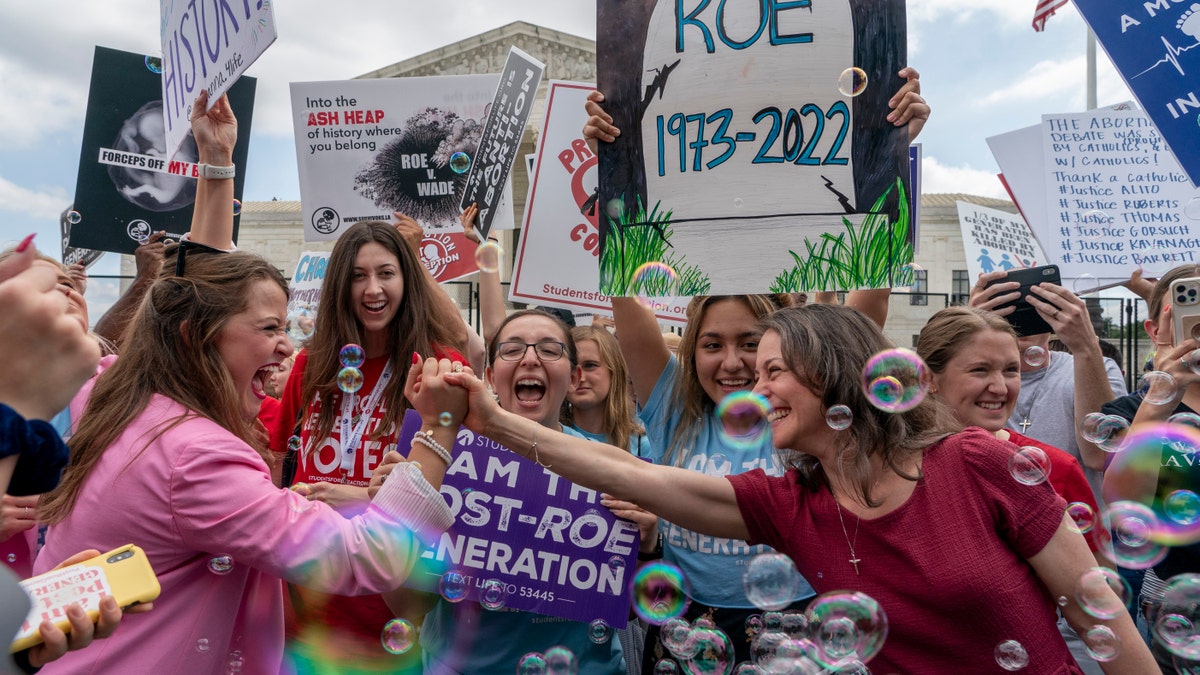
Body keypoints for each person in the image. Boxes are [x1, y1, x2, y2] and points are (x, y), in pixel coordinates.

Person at [418, 303, 1155, 673]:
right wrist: (491, 419)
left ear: (833, 373)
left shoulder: (974, 462)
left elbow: (1108, 624)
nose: (754, 384)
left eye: (774, 369)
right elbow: (635, 473)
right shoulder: (792, 506)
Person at [33, 91, 464, 675]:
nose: (289, 346)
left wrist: (216, 167)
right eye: (269, 328)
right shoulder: (198, 459)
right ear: (199, 337)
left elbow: (190, 294)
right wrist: (437, 430)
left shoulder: (110, 392)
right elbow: (374, 556)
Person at [377, 310, 636, 675]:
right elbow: (406, 606)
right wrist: (398, 513)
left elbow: (630, 606)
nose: (530, 359)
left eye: (550, 349)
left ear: (574, 376)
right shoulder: (442, 459)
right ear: (489, 377)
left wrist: (649, 542)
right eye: (512, 350)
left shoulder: (612, 469)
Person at [269, 217, 467, 673]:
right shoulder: (311, 363)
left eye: (386, 273)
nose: (372, 288)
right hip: (303, 606)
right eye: (358, 275)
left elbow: (459, 489)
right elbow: (277, 462)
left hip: (392, 608)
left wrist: (364, 499)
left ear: (407, 279)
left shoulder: (440, 367)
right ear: (340, 285)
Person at [916, 305, 1111, 673]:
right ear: (929, 378)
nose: (1000, 387)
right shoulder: (889, 465)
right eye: (979, 370)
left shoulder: (1054, 469)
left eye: (1011, 370)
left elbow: (1102, 596)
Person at [0, 237, 144, 674]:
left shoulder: (128, 389)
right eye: (39, 291)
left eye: (69, 284)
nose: (63, 292)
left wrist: (17, 647)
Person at [1100, 263, 1200, 673]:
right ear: (1154, 331)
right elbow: (1125, 502)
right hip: (1181, 602)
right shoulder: (1128, 413)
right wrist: (1161, 398)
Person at [565, 325, 651, 458]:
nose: (580, 377)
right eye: (571, 367)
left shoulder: (643, 446)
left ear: (614, 371)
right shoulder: (541, 435)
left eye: (590, 365)